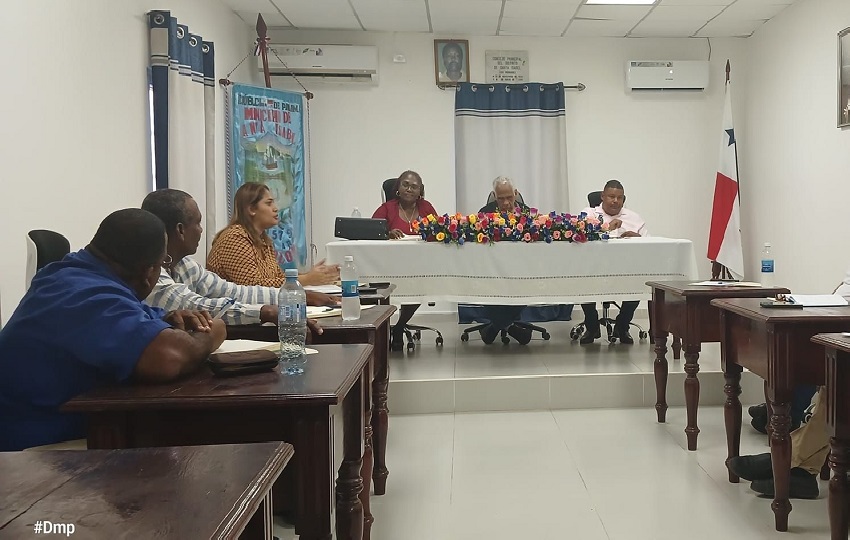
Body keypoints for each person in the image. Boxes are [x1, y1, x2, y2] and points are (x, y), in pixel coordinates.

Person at [0, 209, 227, 451]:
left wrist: (173, 321)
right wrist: (209, 334)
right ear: (148, 271)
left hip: (73, 427)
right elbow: (167, 358)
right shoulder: (82, 293)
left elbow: (144, 320)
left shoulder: (78, 275)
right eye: (163, 264)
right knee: (191, 445)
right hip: (34, 450)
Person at [142, 189, 334, 328]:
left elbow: (235, 291)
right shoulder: (149, 272)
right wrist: (265, 310)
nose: (201, 230)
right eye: (198, 223)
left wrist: (294, 295)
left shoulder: (185, 265)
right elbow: (196, 305)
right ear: (180, 230)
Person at [206, 182, 339, 287]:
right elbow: (252, 286)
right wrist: (307, 279)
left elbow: (277, 278)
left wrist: (311, 275)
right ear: (252, 209)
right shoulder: (234, 237)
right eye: (269, 203)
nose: (276, 208)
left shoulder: (263, 240)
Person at [579, 179, 647, 345]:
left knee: (638, 284)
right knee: (579, 282)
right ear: (602, 197)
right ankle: (592, 325)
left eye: (620, 197)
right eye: (611, 196)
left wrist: (638, 238)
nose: (615, 201)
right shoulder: (589, 214)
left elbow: (649, 243)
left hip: (626, 268)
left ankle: (622, 326)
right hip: (593, 268)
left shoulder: (634, 217)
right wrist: (607, 228)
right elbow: (579, 235)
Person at [477, 177, 532, 345]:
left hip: (520, 267)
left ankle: (494, 328)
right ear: (494, 196)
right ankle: (509, 327)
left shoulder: (526, 212)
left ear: (516, 194)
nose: (506, 202)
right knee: (485, 286)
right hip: (492, 268)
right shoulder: (485, 213)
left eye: (509, 197)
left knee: (528, 284)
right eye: (501, 198)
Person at [372, 170, 437, 239]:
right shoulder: (386, 209)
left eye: (414, 187)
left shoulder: (426, 207)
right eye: (405, 185)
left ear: (419, 191)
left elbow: (438, 232)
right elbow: (372, 232)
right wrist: (387, 235)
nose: (409, 189)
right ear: (398, 187)